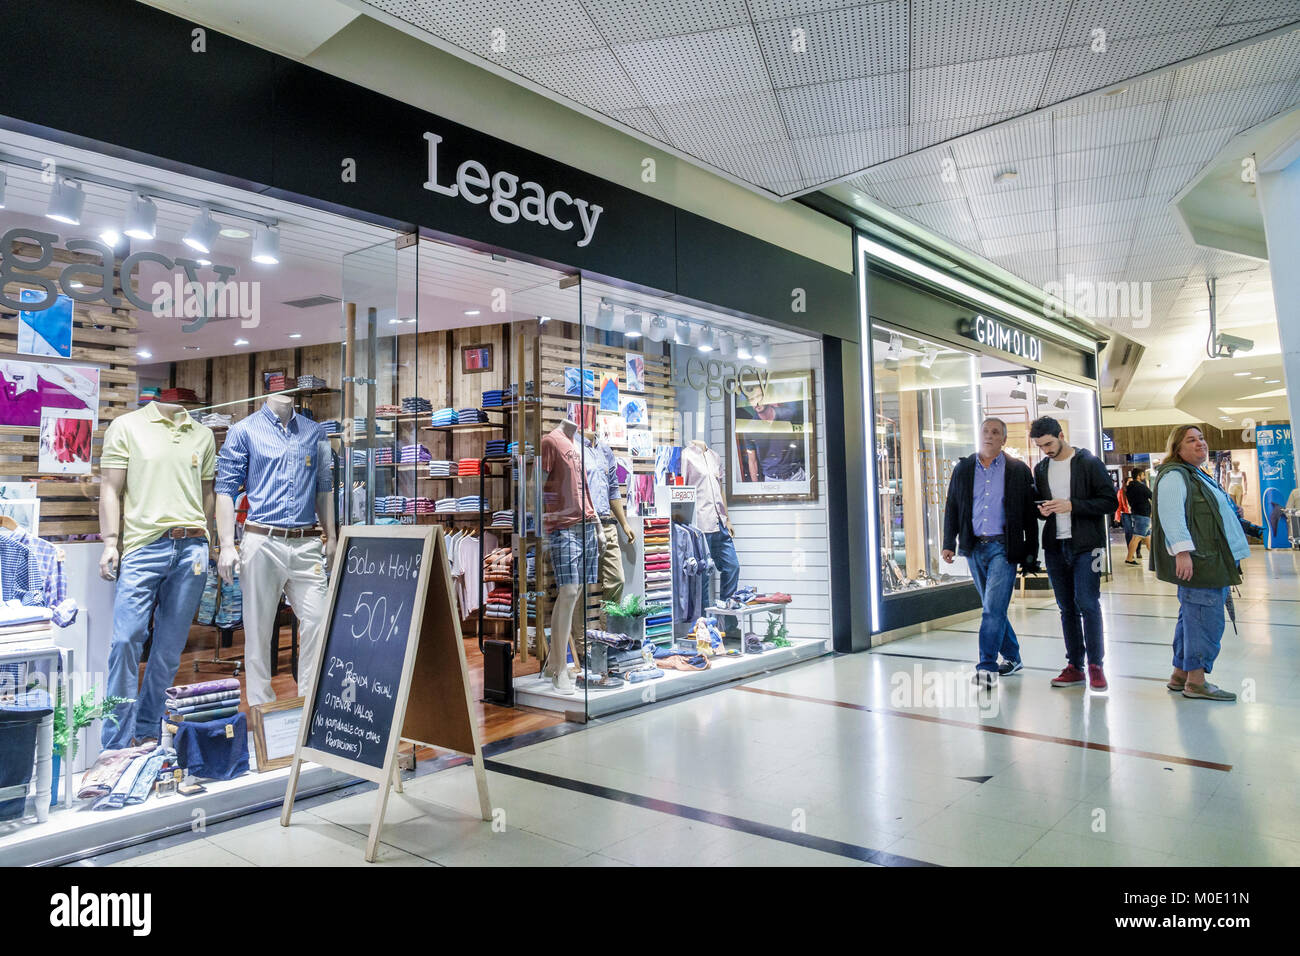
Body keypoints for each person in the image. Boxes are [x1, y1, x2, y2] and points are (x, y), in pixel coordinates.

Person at [1150, 426, 1249, 701]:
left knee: (1191, 619)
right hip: (1201, 562)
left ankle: (1180, 675)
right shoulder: (1174, 475)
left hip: (1212, 559)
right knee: (1205, 620)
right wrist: (1182, 553)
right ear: (1177, 449)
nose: (1200, 444)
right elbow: (1171, 515)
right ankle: (1196, 682)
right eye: (1191, 440)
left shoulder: (1196, 475)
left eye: (1201, 439)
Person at [942, 418, 1040, 684]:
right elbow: (952, 506)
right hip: (974, 548)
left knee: (991, 610)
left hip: (1003, 548)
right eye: (985, 430)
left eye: (995, 432)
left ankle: (986, 667)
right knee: (992, 607)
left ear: (1003, 440)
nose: (989, 435)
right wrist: (948, 542)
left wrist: (1031, 552)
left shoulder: (1018, 470)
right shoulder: (963, 468)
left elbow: (1030, 516)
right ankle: (1013, 656)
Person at [1030, 416, 1118, 691]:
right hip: (1056, 546)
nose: (1046, 449)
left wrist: (1072, 505)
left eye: (1048, 443)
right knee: (1066, 607)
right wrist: (1041, 510)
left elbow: (1109, 501)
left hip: (1087, 545)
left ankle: (1096, 665)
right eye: (1041, 446)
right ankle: (1074, 665)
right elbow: (1040, 504)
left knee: (1088, 604)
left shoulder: (1089, 463)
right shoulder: (1041, 468)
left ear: (1061, 434)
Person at [1124, 466, 1152, 565]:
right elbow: (1151, 495)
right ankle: (1129, 558)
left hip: (1136, 513)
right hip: (1143, 515)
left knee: (1148, 537)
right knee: (1137, 537)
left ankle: (1154, 559)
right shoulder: (1141, 486)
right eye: (1143, 474)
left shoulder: (1129, 487)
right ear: (1139, 476)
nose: (1144, 476)